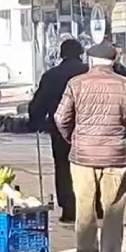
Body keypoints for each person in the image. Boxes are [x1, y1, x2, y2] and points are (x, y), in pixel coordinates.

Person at [54, 42, 126, 252]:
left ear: (91, 61)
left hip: (83, 156)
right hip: (115, 157)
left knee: (84, 205)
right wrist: (124, 139)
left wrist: (73, 138)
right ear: (114, 61)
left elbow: (60, 117)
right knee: (114, 208)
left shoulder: (76, 84)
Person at [27, 38, 88, 223]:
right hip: (88, 129)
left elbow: (38, 103)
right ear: (80, 52)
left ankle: (69, 209)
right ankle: (94, 206)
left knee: (63, 167)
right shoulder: (89, 73)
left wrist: (35, 121)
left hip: (61, 130)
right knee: (90, 166)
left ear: (61, 54)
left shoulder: (51, 75)